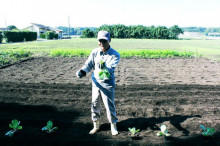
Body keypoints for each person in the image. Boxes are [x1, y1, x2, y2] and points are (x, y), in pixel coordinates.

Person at [76, 30, 120, 136]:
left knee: (109, 105)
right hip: (96, 83)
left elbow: (110, 68)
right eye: (100, 41)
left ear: (109, 40)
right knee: (95, 104)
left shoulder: (115, 54)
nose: (102, 43)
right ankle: (95, 126)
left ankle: (113, 126)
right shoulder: (95, 52)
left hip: (107, 84)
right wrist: (82, 71)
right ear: (98, 41)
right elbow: (89, 64)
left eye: (104, 41)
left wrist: (104, 66)